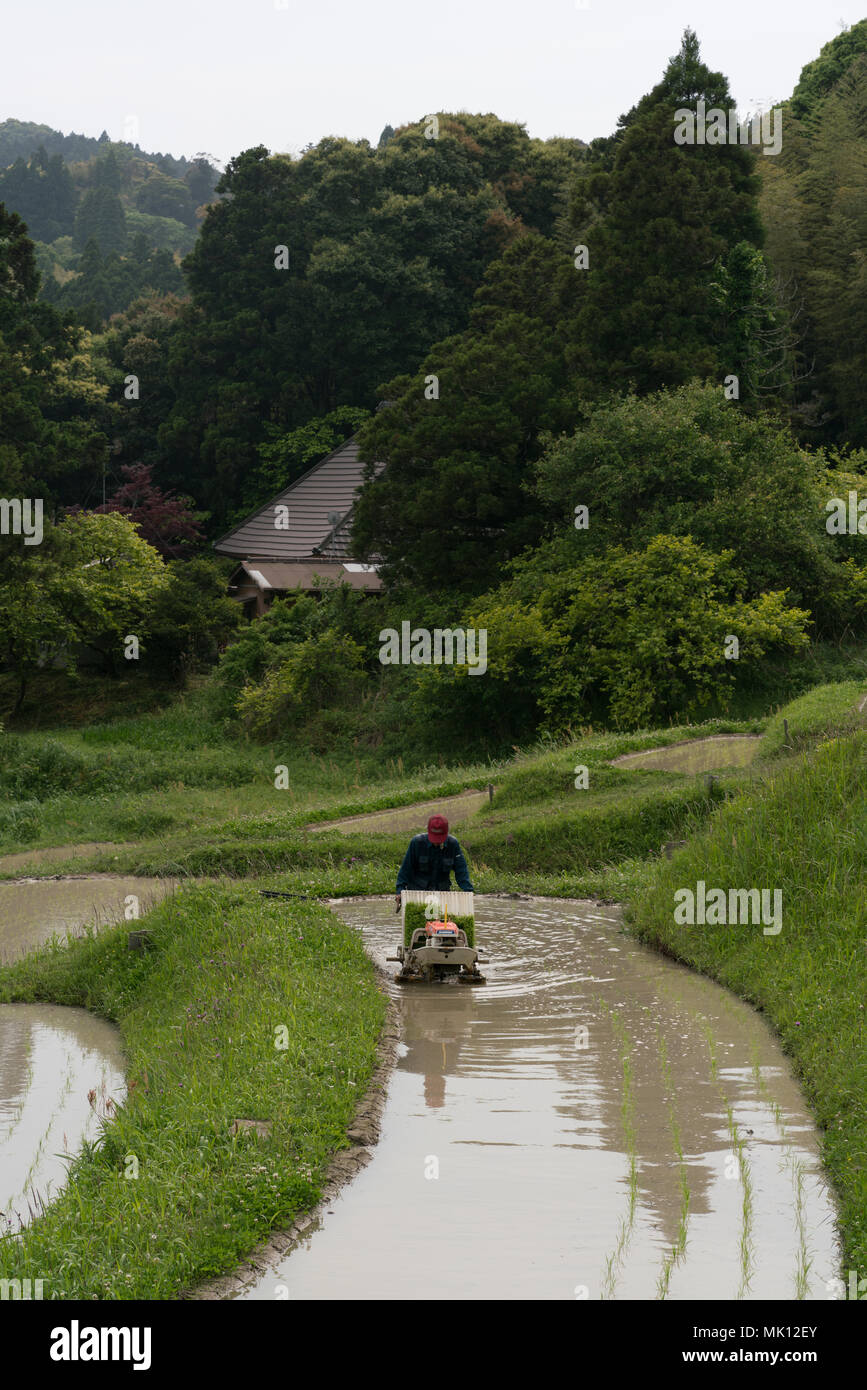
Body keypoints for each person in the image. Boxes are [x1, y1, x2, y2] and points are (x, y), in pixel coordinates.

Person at [394, 814, 473, 909]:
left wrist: (468, 892)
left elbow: (461, 871)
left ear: (446, 833)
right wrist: (399, 891)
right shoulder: (417, 843)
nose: (436, 842)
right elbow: (405, 869)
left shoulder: (453, 845)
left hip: (442, 894)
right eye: (434, 838)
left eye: (439, 838)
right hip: (417, 893)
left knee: (442, 922)